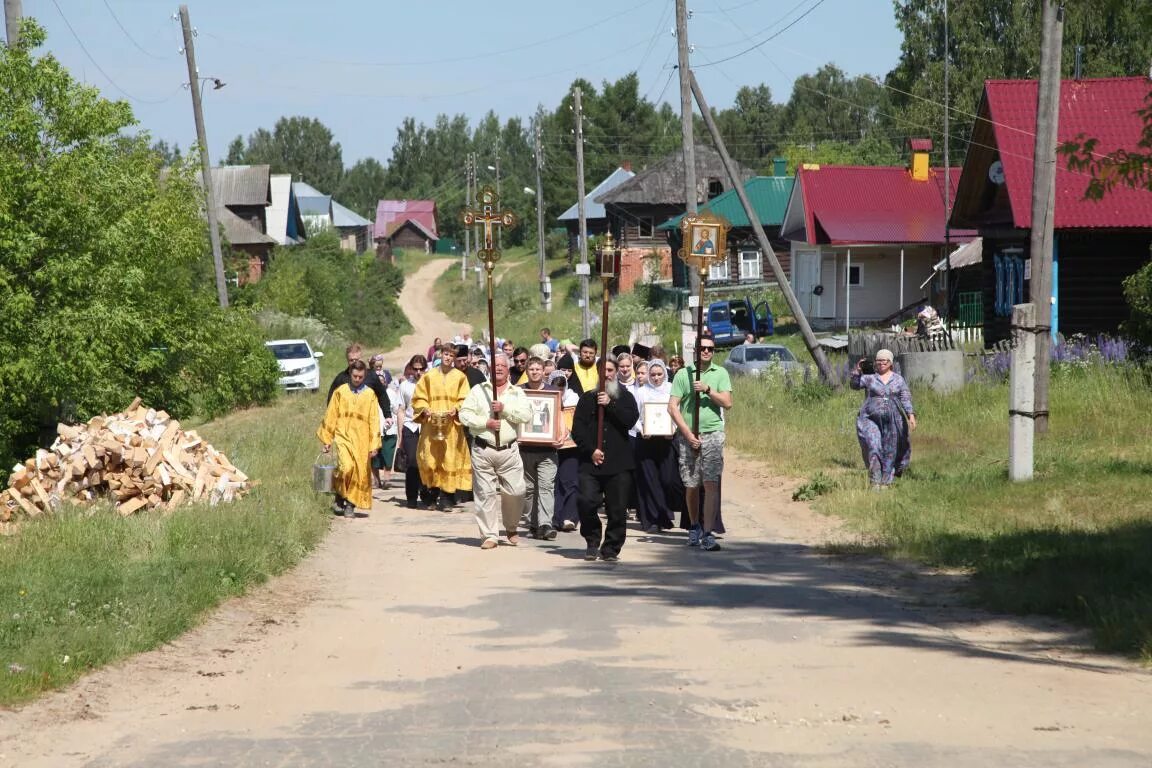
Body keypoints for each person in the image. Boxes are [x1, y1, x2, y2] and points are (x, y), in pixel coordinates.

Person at [458, 354, 532, 549]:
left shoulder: (517, 392)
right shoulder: (478, 391)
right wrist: (485, 423)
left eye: (502, 365)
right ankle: (489, 535)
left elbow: (526, 415)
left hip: (509, 450)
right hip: (483, 448)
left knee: (517, 491)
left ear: (508, 369)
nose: (498, 368)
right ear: (489, 369)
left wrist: (504, 409)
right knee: (485, 494)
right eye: (495, 365)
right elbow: (464, 414)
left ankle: (511, 526)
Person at [571, 358, 639, 562]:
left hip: (618, 463)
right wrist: (591, 450)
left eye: (610, 370)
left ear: (616, 372)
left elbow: (630, 421)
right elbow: (578, 431)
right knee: (586, 502)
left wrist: (611, 405)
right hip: (591, 462)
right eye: (603, 370)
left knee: (617, 509)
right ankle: (592, 541)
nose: (607, 374)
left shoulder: (626, 397)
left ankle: (611, 548)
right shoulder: (586, 399)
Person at [668, 336, 732, 551]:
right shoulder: (682, 374)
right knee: (692, 484)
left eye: (710, 349)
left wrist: (707, 390)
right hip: (689, 436)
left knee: (711, 482)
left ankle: (708, 531)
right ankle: (694, 525)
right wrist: (687, 433)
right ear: (696, 350)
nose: (706, 352)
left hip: (713, 434)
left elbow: (727, 402)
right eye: (702, 348)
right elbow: (673, 407)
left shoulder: (720, 373)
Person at [412, 343, 473, 510]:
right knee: (430, 460)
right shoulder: (429, 376)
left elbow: (466, 398)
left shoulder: (460, 377)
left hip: (451, 426)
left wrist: (457, 408)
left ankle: (447, 498)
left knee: (449, 460)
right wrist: (425, 409)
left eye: (451, 355)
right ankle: (430, 494)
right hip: (431, 424)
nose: (448, 358)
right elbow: (419, 397)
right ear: (441, 355)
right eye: (446, 354)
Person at [317, 360, 380, 518]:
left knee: (358, 471)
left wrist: (374, 445)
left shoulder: (370, 394)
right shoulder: (341, 392)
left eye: (360, 376)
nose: (357, 379)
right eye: (355, 376)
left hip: (362, 439)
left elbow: (374, 420)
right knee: (345, 467)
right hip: (343, 435)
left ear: (364, 376)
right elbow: (331, 415)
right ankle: (340, 495)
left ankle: (350, 504)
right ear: (350, 374)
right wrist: (327, 439)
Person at [851, 349, 916, 489]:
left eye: (884, 361)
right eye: (878, 361)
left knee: (890, 450)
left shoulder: (898, 379)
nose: (880, 363)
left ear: (890, 363)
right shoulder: (870, 378)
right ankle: (875, 480)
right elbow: (855, 385)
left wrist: (910, 415)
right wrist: (857, 371)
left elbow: (905, 397)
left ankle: (886, 481)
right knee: (874, 446)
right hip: (870, 419)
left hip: (893, 421)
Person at [519, 357, 565, 540]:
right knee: (528, 489)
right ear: (527, 371)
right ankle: (533, 523)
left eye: (538, 369)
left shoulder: (553, 392)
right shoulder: (519, 391)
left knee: (546, 487)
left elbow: (559, 415)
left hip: (548, 450)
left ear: (543, 371)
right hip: (525, 448)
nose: (535, 372)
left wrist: (560, 435)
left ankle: (546, 524)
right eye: (532, 369)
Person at [634, 359, 680, 532]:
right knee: (650, 480)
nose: (656, 378)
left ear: (665, 374)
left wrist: (673, 430)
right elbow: (634, 417)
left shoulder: (671, 390)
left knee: (667, 480)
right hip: (646, 441)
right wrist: (642, 429)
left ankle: (665, 512)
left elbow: (678, 412)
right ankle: (655, 519)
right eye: (652, 374)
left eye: (659, 374)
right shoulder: (641, 392)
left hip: (667, 441)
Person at [398, 356, 430, 509]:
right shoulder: (405, 386)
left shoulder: (431, 384)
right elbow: (401, 410)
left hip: (427, 427)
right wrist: (400, 435)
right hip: (410, 426)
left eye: (421, 369)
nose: (418, 372)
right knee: (412, 462)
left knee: (426, 461)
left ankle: (425, 492)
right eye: (415, 369)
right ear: (411, 368)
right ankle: (411, 496)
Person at [329, 343, 391, 416]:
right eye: (351, 360)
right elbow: (331, 401)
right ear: (347, 360)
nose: (354, 362)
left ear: (361, 358)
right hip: (346, 420)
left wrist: (387, 415)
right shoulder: (341, 379)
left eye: (357, 359)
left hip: (368, 418)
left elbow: (382, 395)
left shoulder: (372, 376)